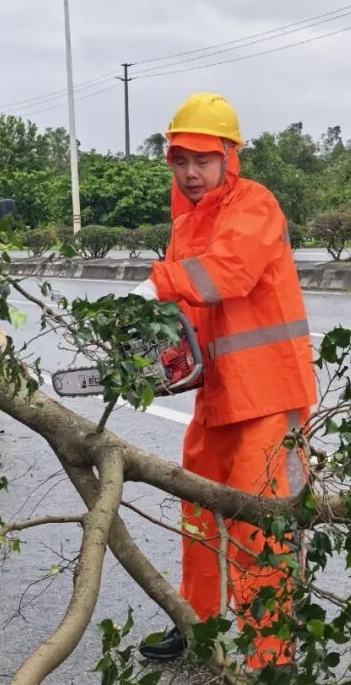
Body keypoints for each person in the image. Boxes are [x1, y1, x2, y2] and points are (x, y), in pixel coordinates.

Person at [131, 93, 317, 668]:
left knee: (260, 525)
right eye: (181, 160)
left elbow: (228, 274)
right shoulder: (187, 223)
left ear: (229, 156)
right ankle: (197, 625)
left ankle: (271, 652)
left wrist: (152, 285)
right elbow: (193, 311)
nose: (191, 172)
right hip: (218, 397)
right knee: (198, 512)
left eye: (203, 160)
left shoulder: (255, 204)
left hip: (269, 396)